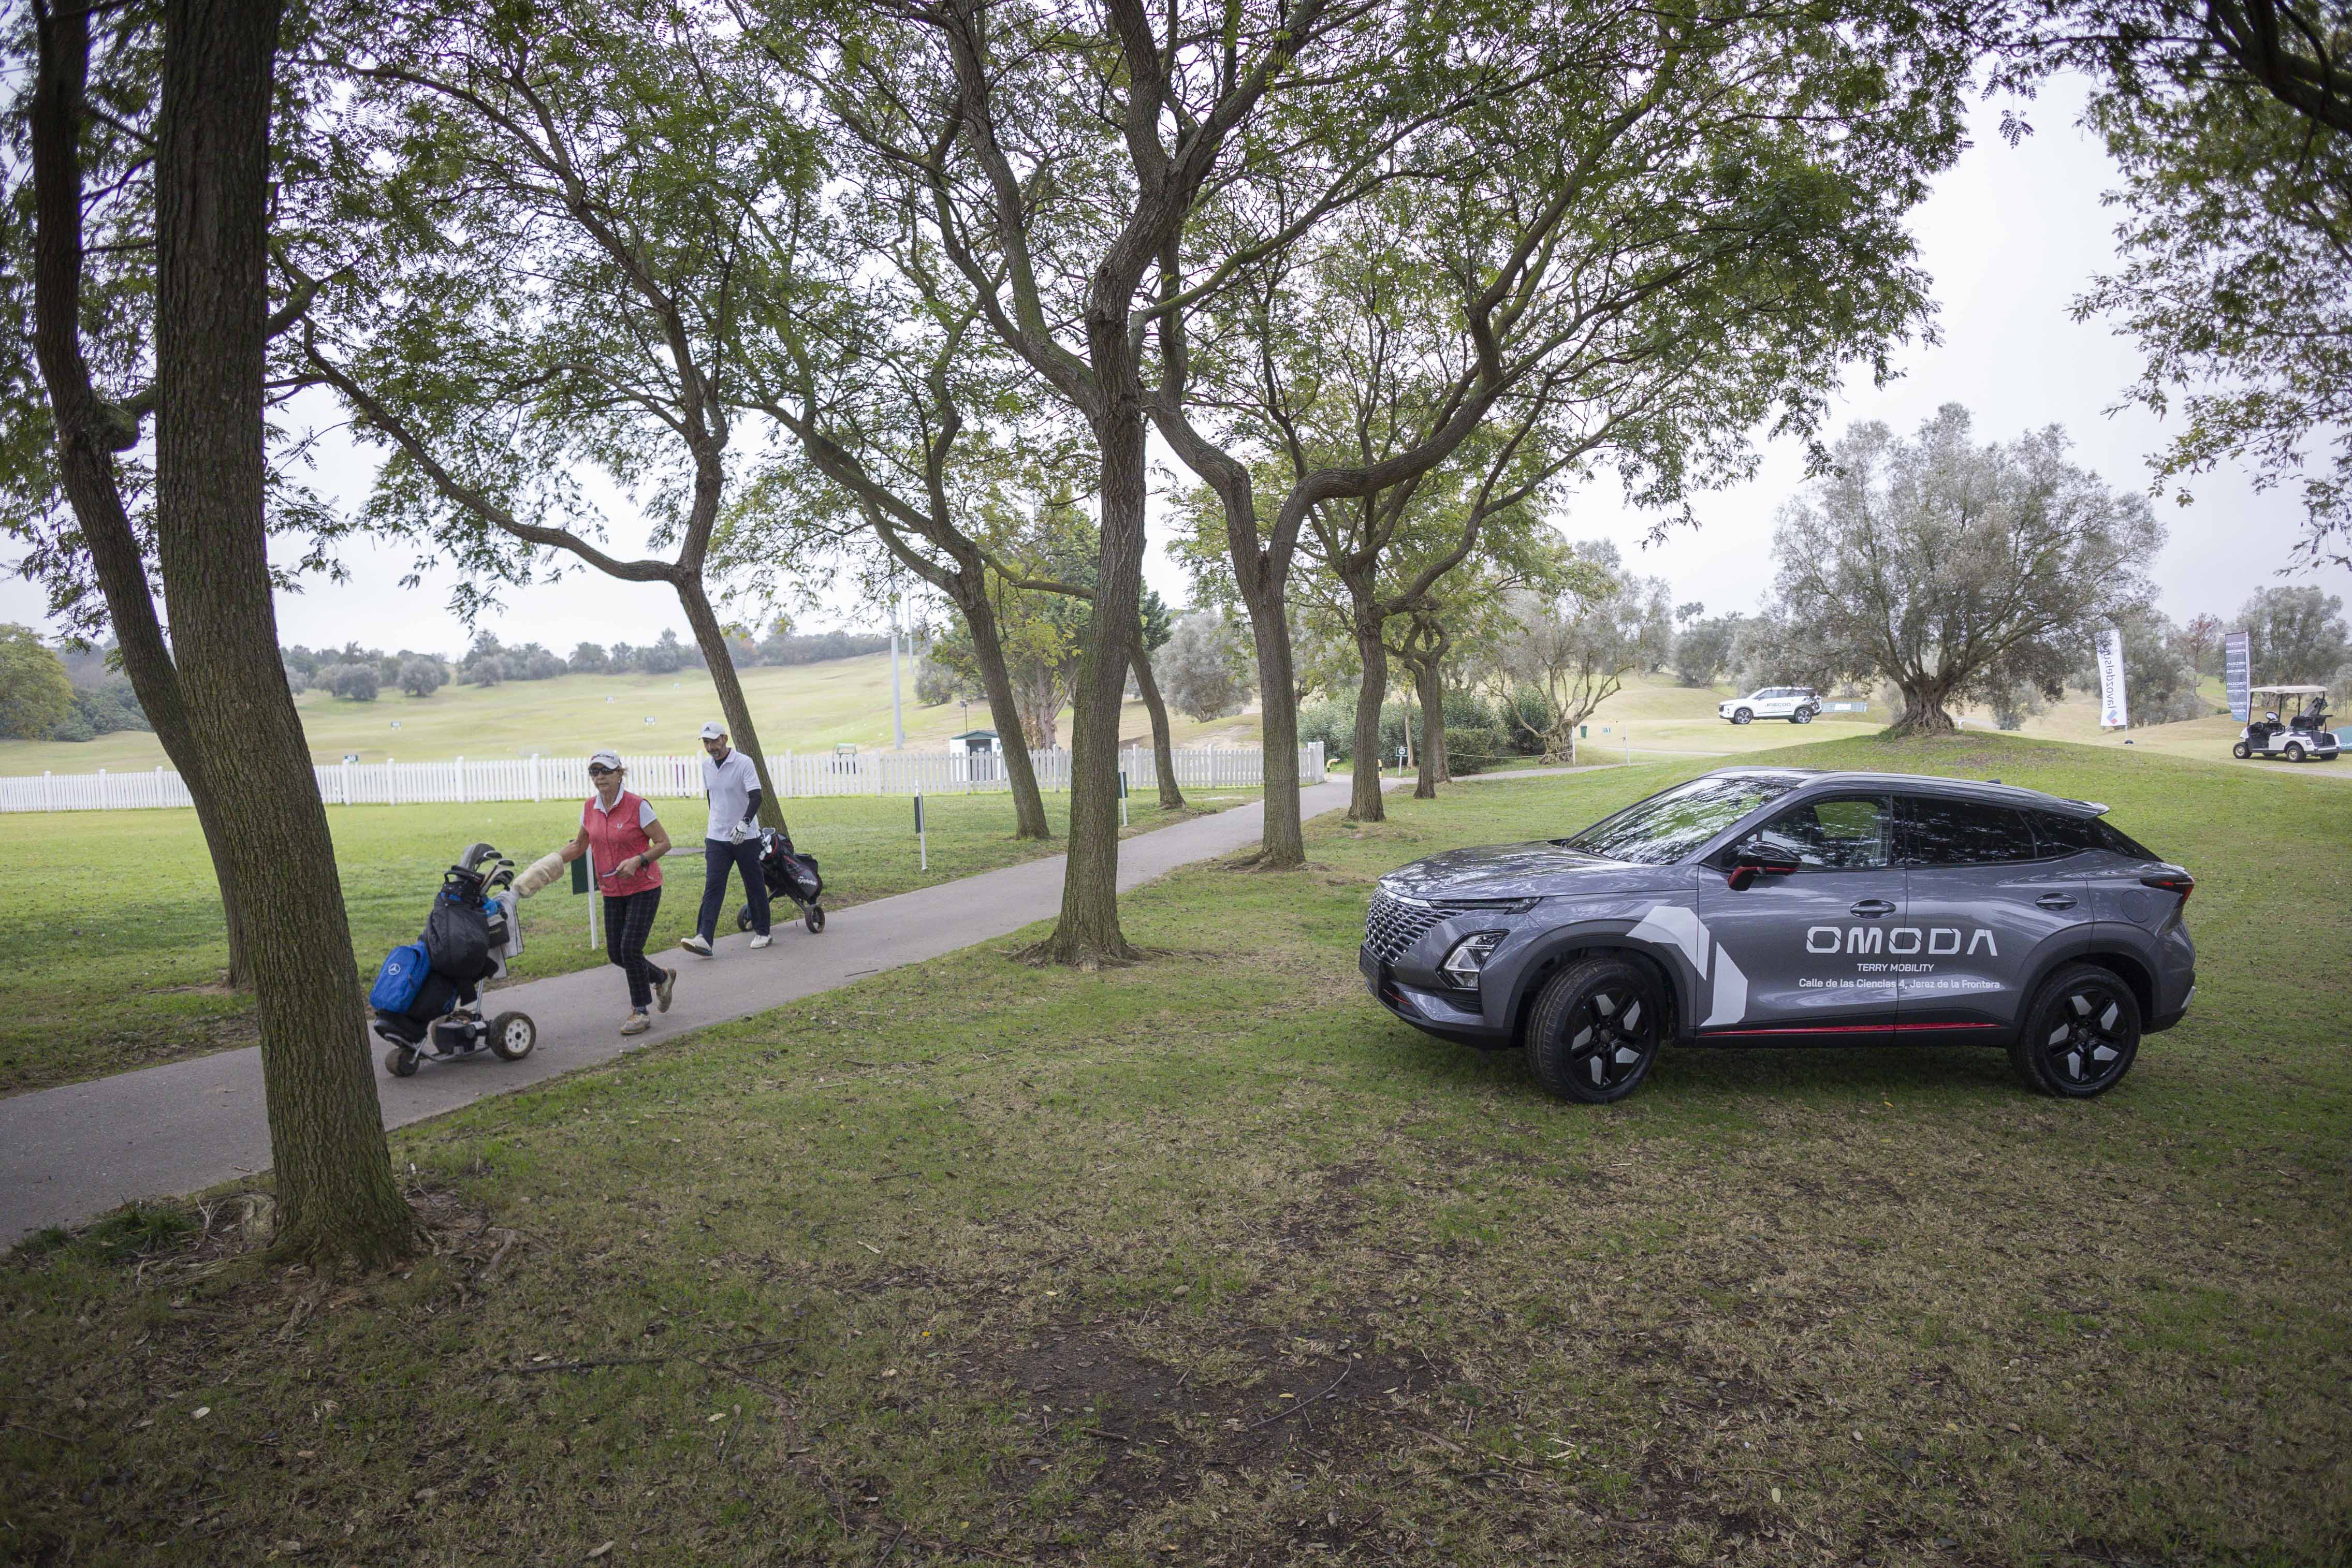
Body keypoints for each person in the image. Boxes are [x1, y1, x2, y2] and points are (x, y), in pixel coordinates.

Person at [555, 750, 677, 1035]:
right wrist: (549, 864)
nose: (600, 777)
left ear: (620, 773)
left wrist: (639, 860)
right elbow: (578, 846)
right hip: (611, 889)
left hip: (644, 887)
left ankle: (640, 1011)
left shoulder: (637, 806)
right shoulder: (589, 808)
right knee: (616, 953)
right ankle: (662, 977)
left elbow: (663, 843)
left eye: (606, 772)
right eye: (594, 773)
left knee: (630, 948)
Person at [681, 720, 770, 957]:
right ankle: (704, 938)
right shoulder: (707, 766)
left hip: (746, 837)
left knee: (753, 884)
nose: (711, 747)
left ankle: (763, 931)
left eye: (714, 741)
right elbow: (713, 798)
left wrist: (745, 822)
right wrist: (716, 824)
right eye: (706, 742)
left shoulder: (744, 763)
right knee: (713, 886)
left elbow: (756, 796)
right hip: (717, 838)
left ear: (725, 739)